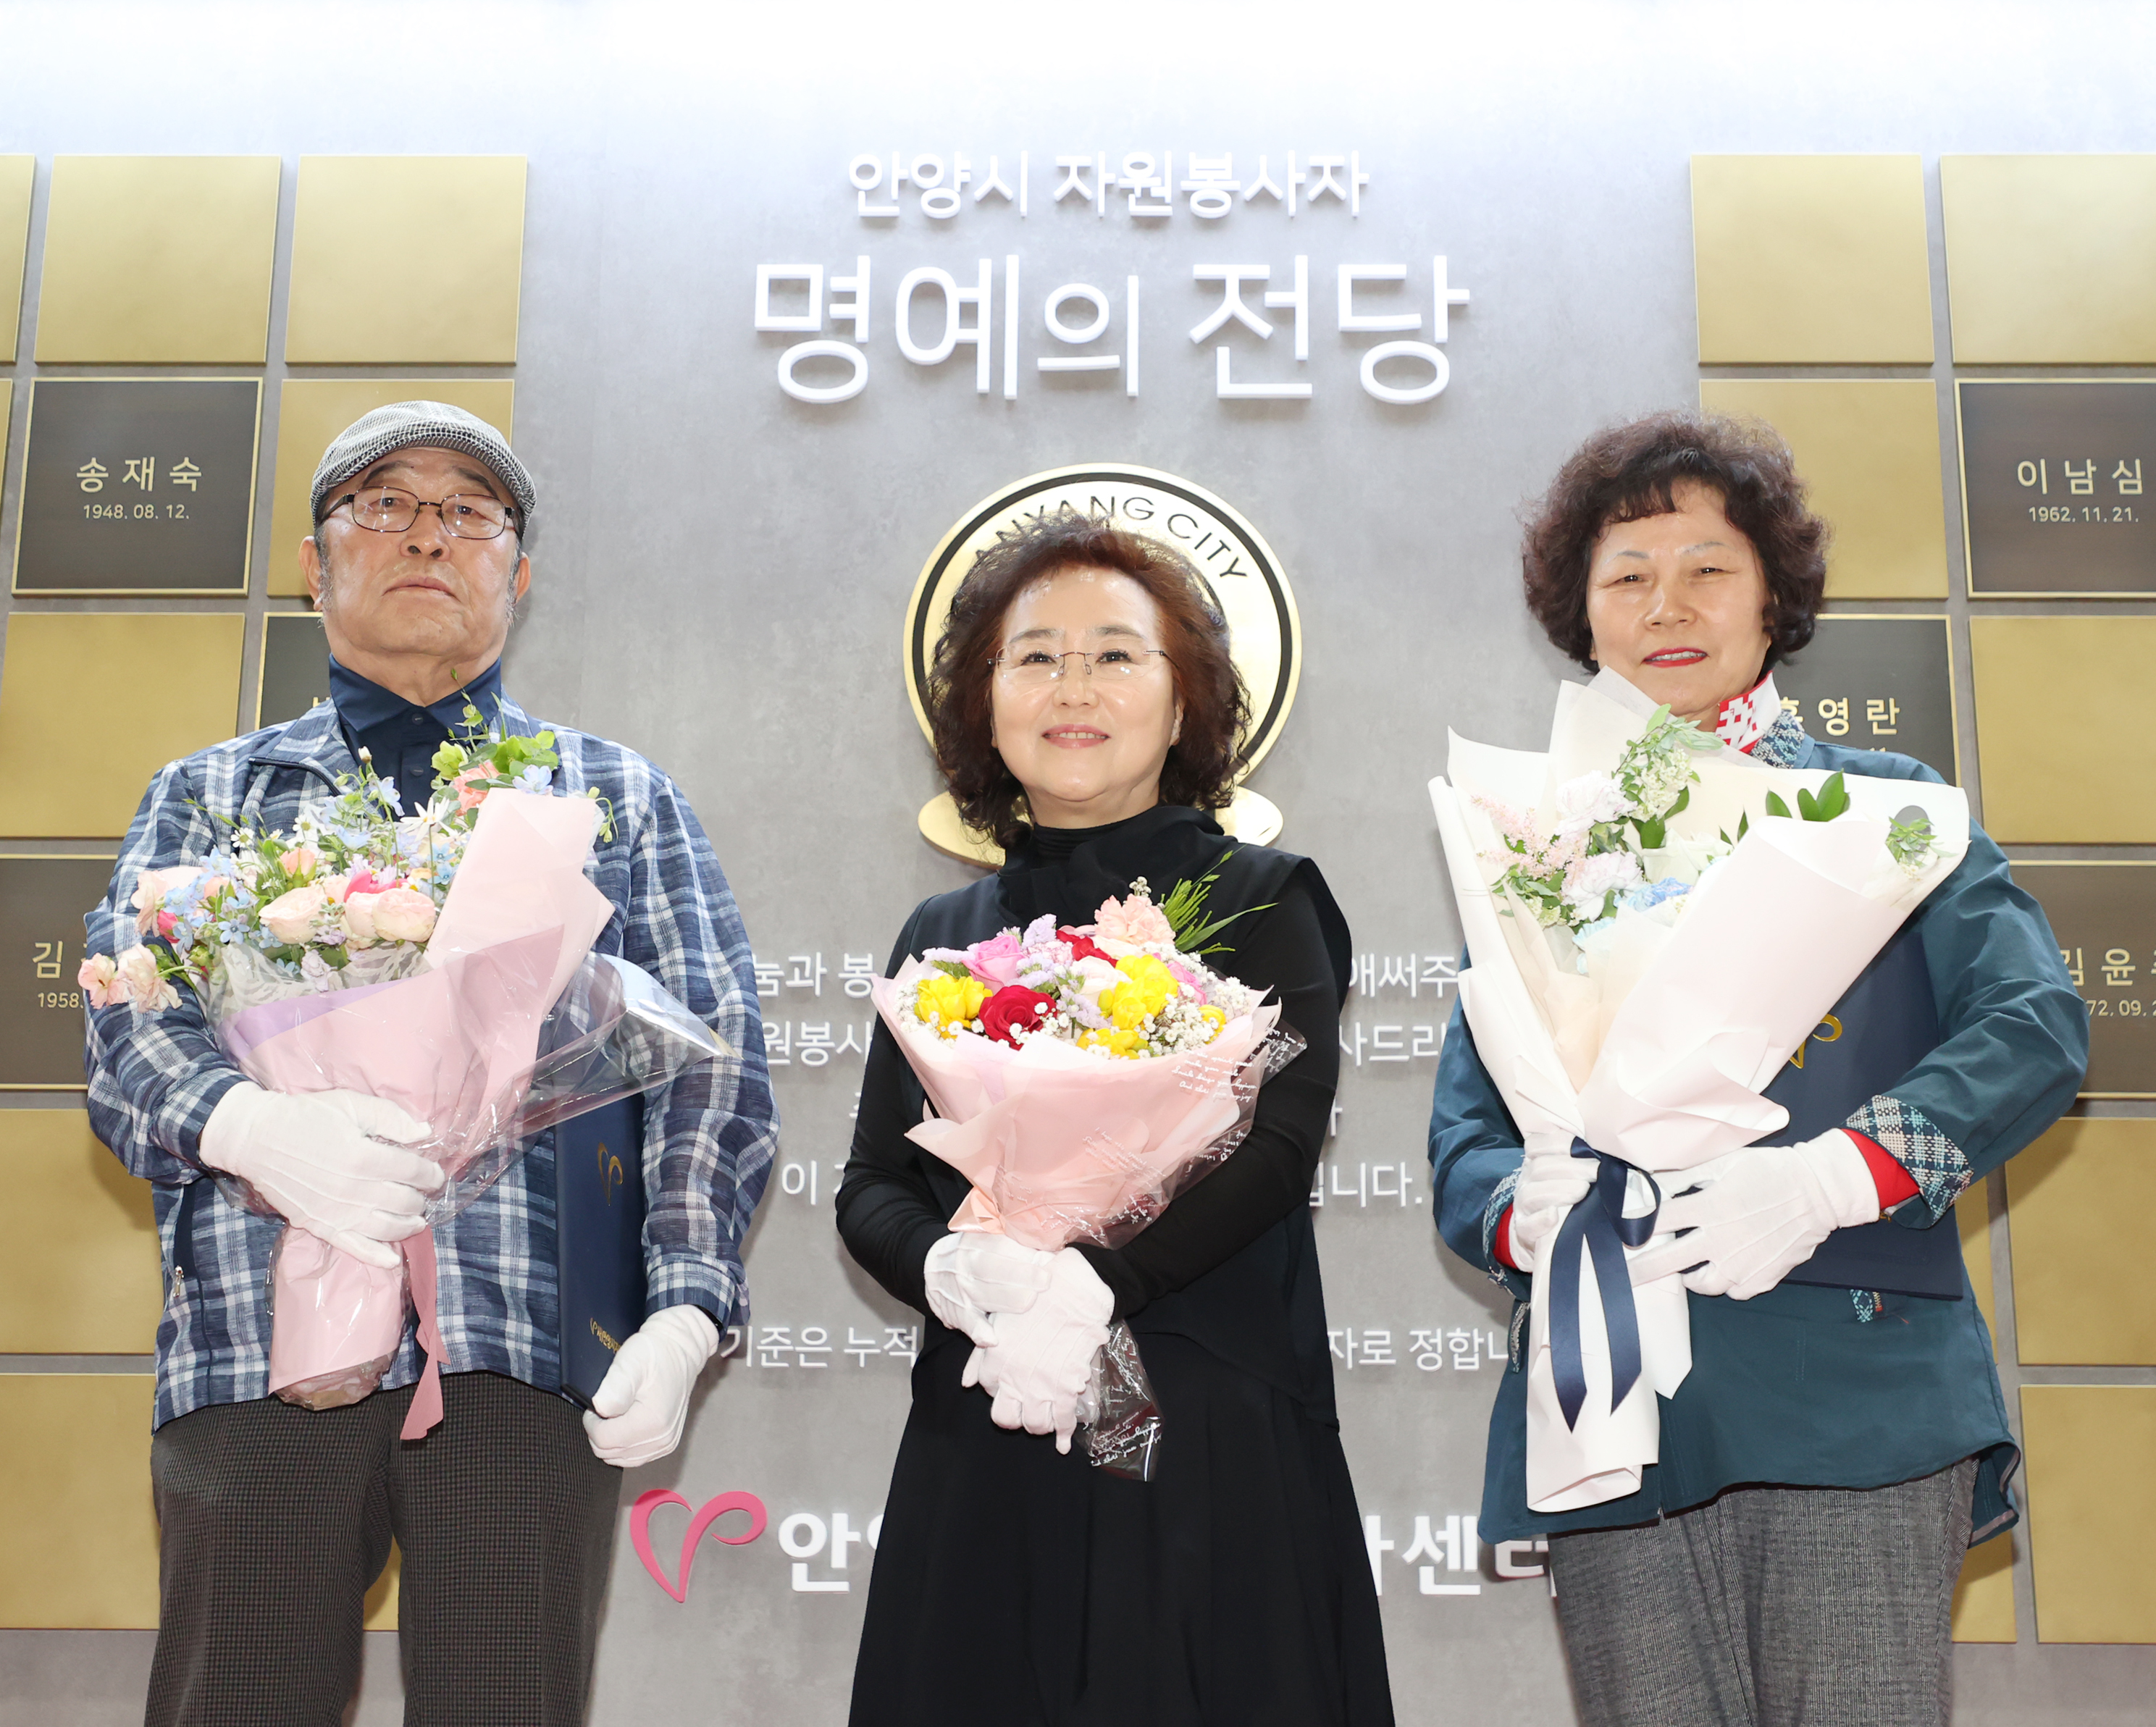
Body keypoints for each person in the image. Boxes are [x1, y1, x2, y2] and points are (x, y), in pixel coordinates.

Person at [83, 401, 779, 1726]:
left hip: (527, 1344)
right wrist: (247, 1127)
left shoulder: (613, 798)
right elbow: (127, 1022)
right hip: (257, 1343)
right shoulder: (208, 795)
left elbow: (709, 1065)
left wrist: (686, 1308)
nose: (427, 535)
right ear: (315, 562)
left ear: (518, 572)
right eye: (385, 504)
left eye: (469, 513)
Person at [1427, 412, 2088, 1727]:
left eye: (1705, 568)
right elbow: (1468, 1135)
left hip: (1848, 1381)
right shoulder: (1538, 842)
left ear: (1771, 594)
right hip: (1612, 1399)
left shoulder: (1886, 808)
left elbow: (2033, 1025)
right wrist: (1520, 1211)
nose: (1664, 606)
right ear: (1581, 615)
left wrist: (1836, 1174)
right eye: (1626, 576)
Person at [835, 515, 1393, 1727]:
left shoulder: (1265, 900)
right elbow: (872, 1182)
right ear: (983, 705)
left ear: (1183, 701)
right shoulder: (941, 933)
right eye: (1034, 657)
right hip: (991, 1412)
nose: (1072, 687)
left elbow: (1274, 1151)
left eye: (1114, 655)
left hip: (1206, 1428)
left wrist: (1094, 1286)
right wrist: (953, 1270)